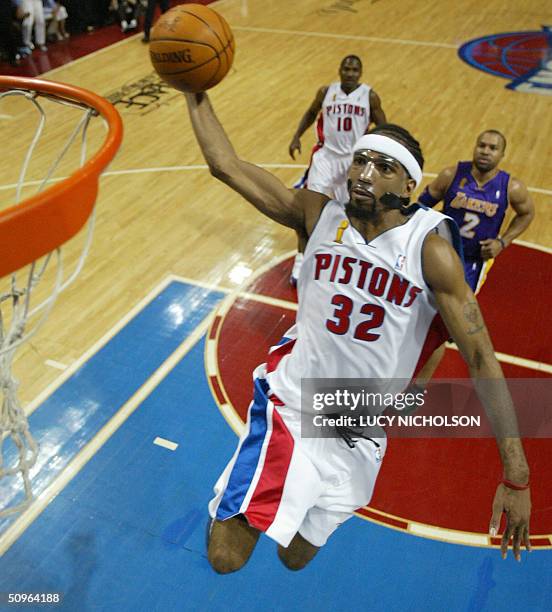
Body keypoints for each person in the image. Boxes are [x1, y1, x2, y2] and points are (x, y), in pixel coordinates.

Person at [184, 91, 531, 572]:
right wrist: (192, 89)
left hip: (362, 424)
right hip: (296, 403)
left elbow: (480, 357)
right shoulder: (317, 214)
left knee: (296, 558)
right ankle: (236, 489)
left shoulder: (430, 251)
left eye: (383, 166)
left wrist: (517, 475)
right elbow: (225, 164)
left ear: (409, 184)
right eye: (361, 160)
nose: (365, 173)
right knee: (226, 557)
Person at [414, 129, 535, 386]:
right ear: (474, 146)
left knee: (441, 327)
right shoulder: (451, 175)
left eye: (493, 148)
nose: (485, 151)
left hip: (470, 265)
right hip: (437, 258)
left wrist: (503, 241)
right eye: (482, 145)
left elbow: (526, 214)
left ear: (502, 154)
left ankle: (418, 387)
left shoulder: (511, 187)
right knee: (412, 315)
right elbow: (419, 207)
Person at [288, 55, 387, 285]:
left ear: (360, 73)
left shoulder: (369, 96)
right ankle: (301, 260)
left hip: (353, 162)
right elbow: (311, 113)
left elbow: (383, 126)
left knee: (350, 212)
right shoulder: (326, 92)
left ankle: (346, 257)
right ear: (340, 69)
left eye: (355, 70)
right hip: (325, 157)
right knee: (308, 209)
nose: (350, 73)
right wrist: (296, 136)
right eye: (347, 69)